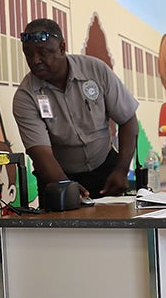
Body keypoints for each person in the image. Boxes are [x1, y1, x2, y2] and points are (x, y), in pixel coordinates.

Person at [12, 18, 140, 199]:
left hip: (106, 171)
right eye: (28, 54)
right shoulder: (26, 96)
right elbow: (40, 152)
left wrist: (121, 169)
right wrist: (65, 186)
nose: (35, 60)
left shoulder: (96, 71)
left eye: (43, 53)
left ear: (62, 48)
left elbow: (128, 120)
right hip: (56, 176)